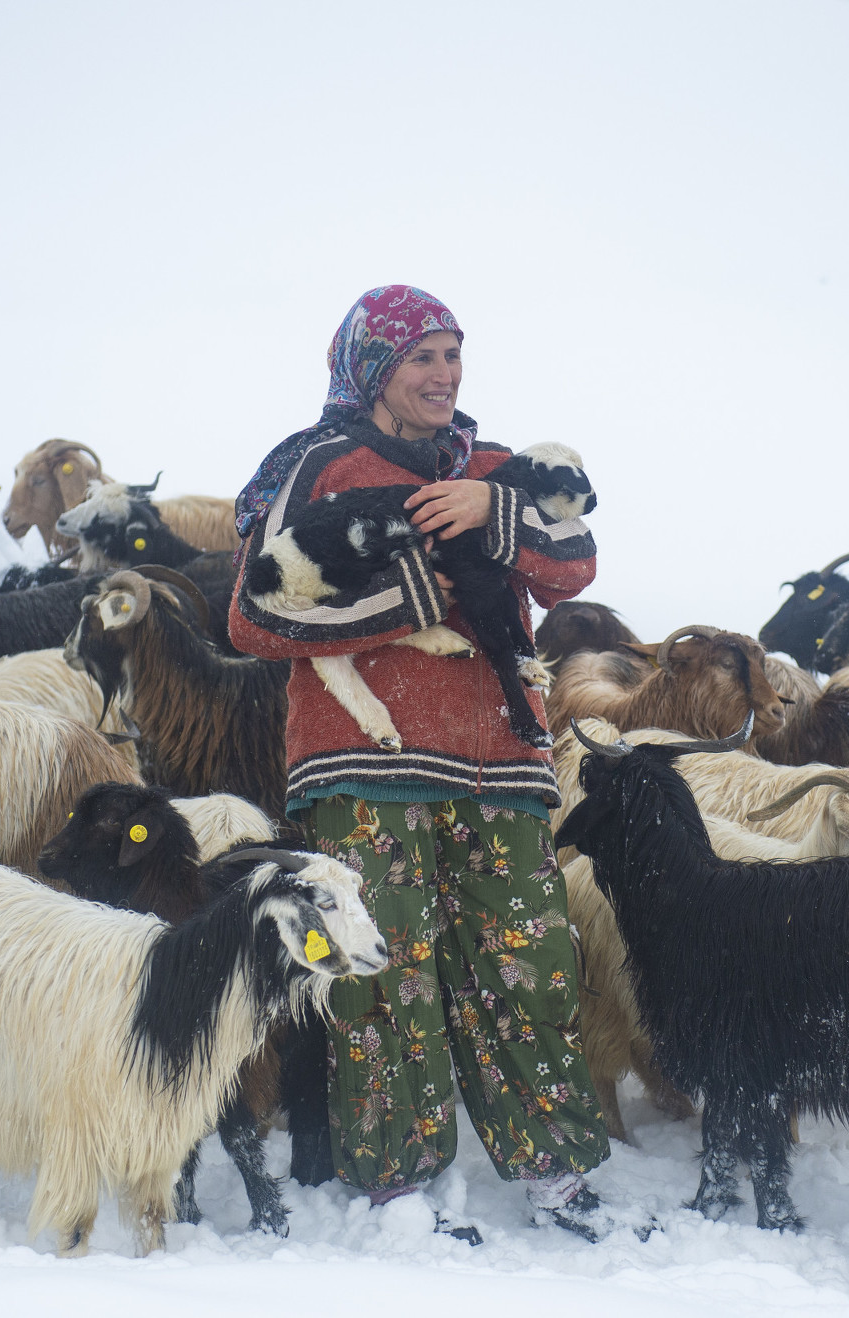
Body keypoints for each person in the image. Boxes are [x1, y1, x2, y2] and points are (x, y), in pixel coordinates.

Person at [227, 285, 618, 1240]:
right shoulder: (316, 465)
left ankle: (556, 1174)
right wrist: (412, 603)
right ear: (372, 370)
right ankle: (402, 1187)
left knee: (527, 962)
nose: (444, 374)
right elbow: (252, 615)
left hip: (504, 763)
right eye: (421, 358)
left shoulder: (495, 466)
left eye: (452, 354)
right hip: (364, 760)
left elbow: (573, 566)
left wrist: (495, 508)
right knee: (381, 969)